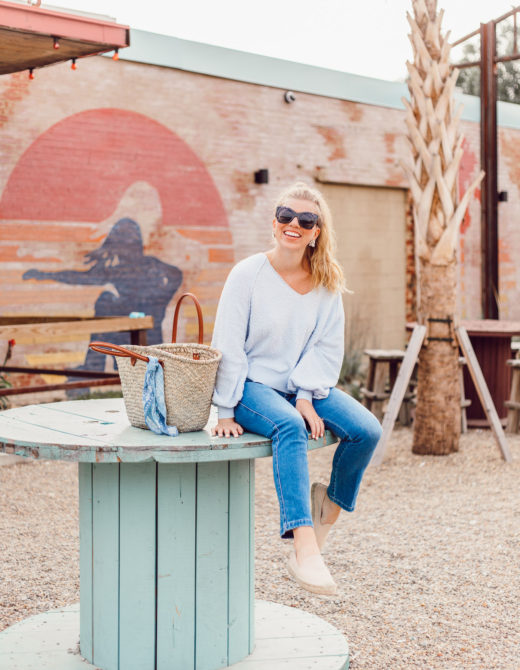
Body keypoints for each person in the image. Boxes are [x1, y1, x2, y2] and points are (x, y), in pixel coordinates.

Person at [210, 182, 382, 596]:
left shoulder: (326, 282)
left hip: (299, 385)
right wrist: (225, 410)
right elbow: (228, 342)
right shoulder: (247, 275)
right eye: (286, 216)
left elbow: (325, 347)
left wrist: (305, 395)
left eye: (306, 220)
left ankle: (328, 509)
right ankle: (304, 548)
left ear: (316, 232)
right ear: (274, 223)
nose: (294, 224)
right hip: (252, 386)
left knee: (367, 430)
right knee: (288, 425)